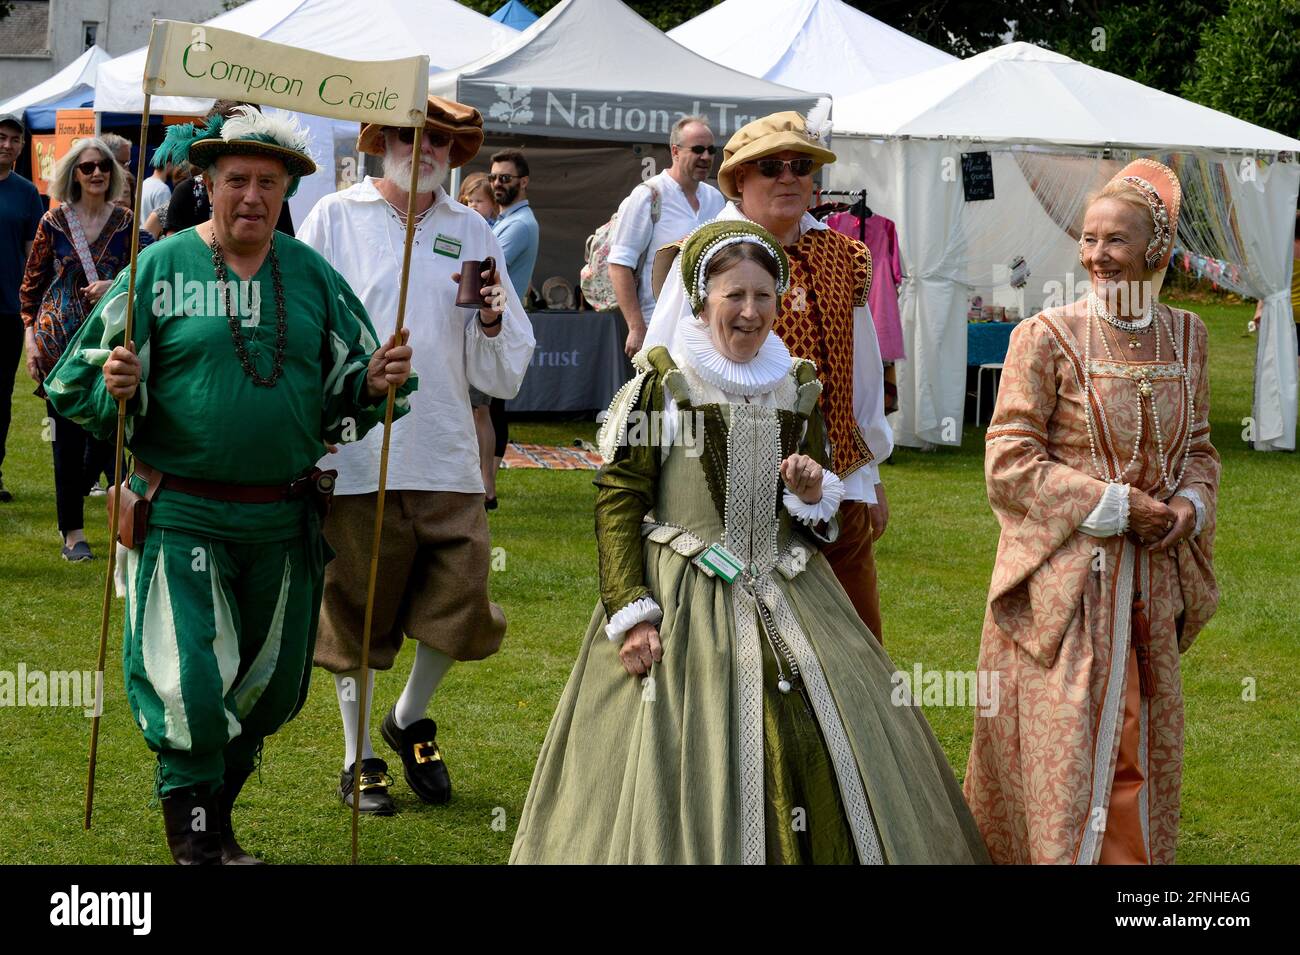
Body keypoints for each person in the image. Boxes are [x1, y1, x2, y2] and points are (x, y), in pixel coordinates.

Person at [510, 220, 988, 864]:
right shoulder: (666, 382)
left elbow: (815, 520)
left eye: (763, 296)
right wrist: (632, 611)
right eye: (734, 295)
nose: (749, 311)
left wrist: (814, 493)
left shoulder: (797, 383)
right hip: (683, 591)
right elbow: (621, 495)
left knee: (830, 705)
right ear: (703, 298)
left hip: (790, 585)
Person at [44, 106, 415, 864]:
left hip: (282, 521)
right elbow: (76, 376)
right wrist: (118, 379)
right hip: (181, 513)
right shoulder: (162, 266)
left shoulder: (311, 276)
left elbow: (356, 387)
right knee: (191, 683)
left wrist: (374, 380)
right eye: (237, 180)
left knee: (272, 688)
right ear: (206, 183)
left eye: (268, 184)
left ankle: (217, 819)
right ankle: (199, 842)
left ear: (287, 194)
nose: (252, 196)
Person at [963, 159, 1220, 865]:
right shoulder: (1046, 336)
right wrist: (1111, 505)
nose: (1097, 256)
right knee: (1068, 755)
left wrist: (1189, 506)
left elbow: (1199, 447)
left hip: (1152, 586)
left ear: (1156, 251)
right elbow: (1009, 460)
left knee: (1139, 745)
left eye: (1116, 240)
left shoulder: (1190, 337)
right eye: (1088, 239)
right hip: (1068, 589)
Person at [299, 96, 534, 815]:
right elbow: (304, 331)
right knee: (354, 611)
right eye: (409, 134)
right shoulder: (334, 218)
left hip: (445, 453)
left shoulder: (474, 233)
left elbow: (503, 369)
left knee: (461, 600)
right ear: (382, 140)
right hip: (358, 452)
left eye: (438, 138)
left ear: (454, 152)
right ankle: (357, 756)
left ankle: (405, 718)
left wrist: (491, 319)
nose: (423, 147)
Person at [647, 110, 893, 642]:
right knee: (764, 649)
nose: (789, 178)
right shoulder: (708, 251)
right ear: (739, 180)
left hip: (841, 484)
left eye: (800, 165)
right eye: (771, 168)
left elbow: (862, 370)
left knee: (857, 644)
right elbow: (660, 367)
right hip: (742, 491)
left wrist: (868, 477)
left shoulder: (843, 253)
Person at [19, 137, 134, 560]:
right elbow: (29, 291)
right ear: (74, 174)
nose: (97, 173)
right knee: (65, 441)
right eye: (87, 167)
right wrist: (31, 342)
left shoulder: (125, 223)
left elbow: (142, 275)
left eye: (103, 166)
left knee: (108, 434)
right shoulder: (54, 223)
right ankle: (73, 533)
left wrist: (114, 284)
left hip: (107, 344)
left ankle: (108, 512)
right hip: (58, 346)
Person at [609, 115, 725, 357]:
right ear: (675, 151)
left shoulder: (714, 198)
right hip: (658, 327)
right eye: (697, 149)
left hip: (705, 328)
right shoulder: (649, 196)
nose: (706, 157)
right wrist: (636, 326)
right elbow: (619, 265)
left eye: (710, 150)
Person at [486, 148, 539, 494]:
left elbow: (483, 265)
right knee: (488, 408)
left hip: (499, 322)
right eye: (492, 177)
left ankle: (486, 488)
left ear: (523, 182)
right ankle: (484, 486)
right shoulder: (506, 220)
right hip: (495, 318)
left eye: (504, 178)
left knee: (486, 409)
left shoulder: (519, 224)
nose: (496, 184)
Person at [162, 103, 296, 237]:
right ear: (210, 185)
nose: (252, 197)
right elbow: (174, 251)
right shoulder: (187, 192)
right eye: (237, 180)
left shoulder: (272, 194)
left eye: (266, 181)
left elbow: (286, 246)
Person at [0, 112, 44, 503]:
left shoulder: (27, 193)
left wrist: (34, 305)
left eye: (14, 139)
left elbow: (33, 255)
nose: (7, 145)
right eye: (1, 137)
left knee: (0, 399)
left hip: (6, 311)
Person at [459, 171, 504, 504]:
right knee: (478, 410)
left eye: (479, 201)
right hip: (467, 331)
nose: (473, 206)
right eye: (468, 200)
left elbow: (504, 292)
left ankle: (487, 483)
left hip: (485, 332)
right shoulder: (464, 230)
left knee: (481, 411)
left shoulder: (490, 237)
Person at [140, 157, 174, 222]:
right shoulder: (163, 189)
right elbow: (164, 221)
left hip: (141, 231)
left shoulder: (144, 183)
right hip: (154, 232)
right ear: (168, 165)